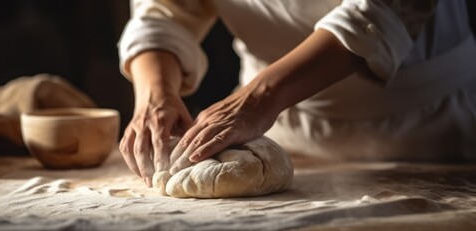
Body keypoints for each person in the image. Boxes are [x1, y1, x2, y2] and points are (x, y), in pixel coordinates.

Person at [118, 0, 476, 187]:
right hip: (270, 134)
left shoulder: (257, 101)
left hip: (426, 127)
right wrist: (154, 95)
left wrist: (261, 96)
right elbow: (164, 13)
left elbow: (379, 12)